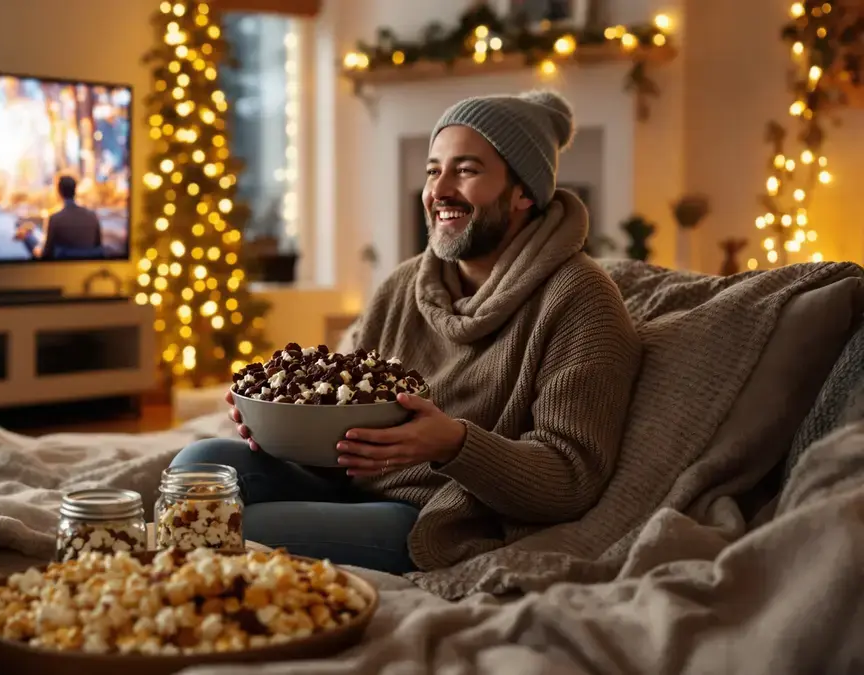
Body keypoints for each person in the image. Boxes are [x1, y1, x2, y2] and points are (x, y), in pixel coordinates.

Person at [171, 90, 643, 575]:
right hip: (349, 483)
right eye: (433, 170)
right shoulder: (405, 284)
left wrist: (453, 444)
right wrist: (280, 428)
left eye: (467, 169)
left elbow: (572, 477)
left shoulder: (580, 300)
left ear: (524, 192)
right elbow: (344, 412)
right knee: (197, 466)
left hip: (437, 514)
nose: (440, 190)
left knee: (230, 527)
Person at [39, 175, 104, 259]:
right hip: (89, 266)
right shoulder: (92, 215)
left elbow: (47, 253)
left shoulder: (55, 219)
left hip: (62, 269)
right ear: (75, 190)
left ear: (59, 192)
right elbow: (98, 246)